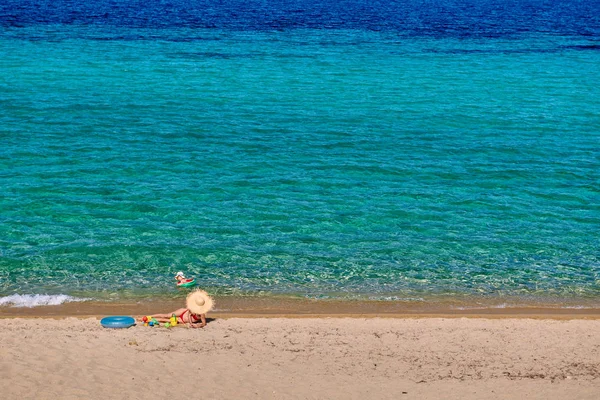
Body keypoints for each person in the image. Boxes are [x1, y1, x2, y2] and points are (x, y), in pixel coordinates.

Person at [142, 289, 214, 329]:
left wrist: (198, 325)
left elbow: (204, 323)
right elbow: (189, 313)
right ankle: (149, 316)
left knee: (164, 320)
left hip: (182, 320)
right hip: (183, 312)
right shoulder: (192, 307)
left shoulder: (202, 314)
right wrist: (191, 323)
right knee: (166, 315)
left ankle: (147, 320)